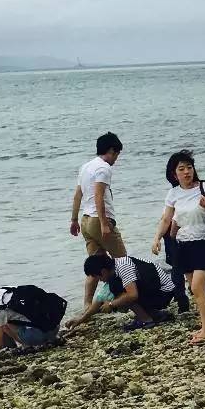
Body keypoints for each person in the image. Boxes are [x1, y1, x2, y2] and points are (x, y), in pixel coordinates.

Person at [152, 150, 205, 345]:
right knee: (196, 290)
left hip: (204, 243)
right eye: (181, 169)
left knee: (197, 287)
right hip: (183, 245)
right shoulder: (173, 193)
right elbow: (167, 218)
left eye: (189, 168)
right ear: (174, 174)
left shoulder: (204, 187)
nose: (186, 172)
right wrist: (157, 238)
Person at [71, 134, 125, 313]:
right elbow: (99, 196)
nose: (116, 160)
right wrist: (104, 223)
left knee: (96, 266)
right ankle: (123, 299)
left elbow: (78, 194)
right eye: (116, 155)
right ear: (111, 151)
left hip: (85, 221)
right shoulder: (103, 168)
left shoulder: (86, 167)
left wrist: (73, 220)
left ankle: (87, 305)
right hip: (98, 220)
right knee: (123, 261)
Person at [68, 252, 178, 329]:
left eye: (99, 277)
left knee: (122, 293)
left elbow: (132, 295)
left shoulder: (123, 267)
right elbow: (100, 300)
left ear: (103, 271)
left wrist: (111, 304)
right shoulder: (113, 270)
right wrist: (80, 319)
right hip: (154, 291)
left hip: (164, 293)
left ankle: (147, 320)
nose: (100, 281)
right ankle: (155, 314)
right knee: (116, 290)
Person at [0, 283, 66, 356]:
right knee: (6, 321)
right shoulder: (5, 290)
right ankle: (50, 339)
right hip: (54, 327)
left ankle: (24, 347)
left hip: (38, 336)